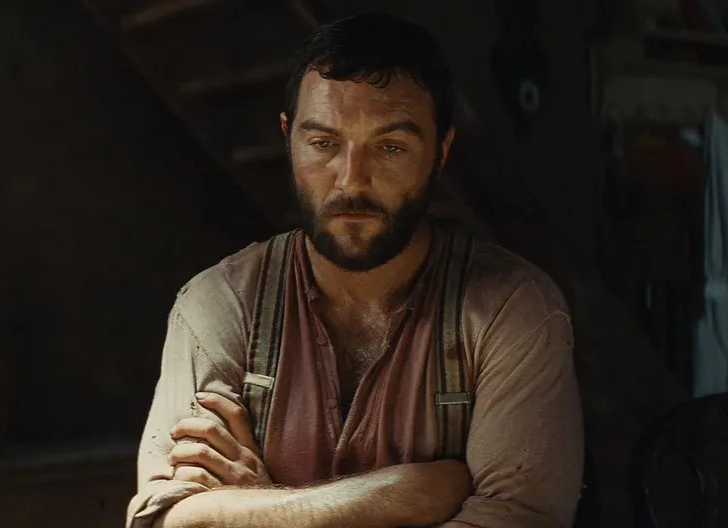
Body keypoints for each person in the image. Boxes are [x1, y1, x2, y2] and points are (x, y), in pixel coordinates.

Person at [127, 13, 583, 528]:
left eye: (391, 147)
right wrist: (402, 495)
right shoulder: (220, 303)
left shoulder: (509, 309)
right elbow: (166, 520)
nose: (351, 181)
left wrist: (255, 510)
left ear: (441, 150)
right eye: (323, 143)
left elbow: (520, 519)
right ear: (289, 137)